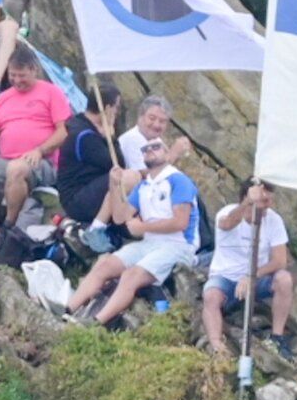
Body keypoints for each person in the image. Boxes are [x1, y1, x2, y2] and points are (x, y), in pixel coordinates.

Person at [65, 134, 200, 326]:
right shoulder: (143, 186)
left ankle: (97, 322)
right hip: (150, 243)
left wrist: (143, 227)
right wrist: (114, 185)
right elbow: (121, 216)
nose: (150, 151)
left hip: (178, 245)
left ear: (167, 152)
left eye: (155, 147)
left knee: (131, 275)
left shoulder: (178, 181)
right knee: (105, 265)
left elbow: (180, 223)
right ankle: (67, 309)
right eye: (145, 149)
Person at [0, 47, 69, 234]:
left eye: (22, 75)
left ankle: (9, 225)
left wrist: (40, 150)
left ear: (34, 70)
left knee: (16, 169)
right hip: (5, 160)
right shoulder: (3, 98)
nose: (17, 81)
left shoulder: (52, 92)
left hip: (41, 160)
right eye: (13, 75)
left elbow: (64, 131)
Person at [201, 179, 294, 353]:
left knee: (284, 279)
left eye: (270, 200)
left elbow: (280, 260)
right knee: (211, 295)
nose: (268, 205)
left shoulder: (273, 220)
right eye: (264, 200)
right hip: (225, 277)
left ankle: (277, 337)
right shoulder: (228, 213)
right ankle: (216, 344)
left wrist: (252, 275)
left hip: (256, 278)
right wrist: (247, 203)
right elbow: (226, 224)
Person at [55, 81, 123, 227]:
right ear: (107, 108)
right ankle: (96, 229)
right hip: (76, 200)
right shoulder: (84, 136)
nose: (117, 113)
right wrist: (111, 137)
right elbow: (117, 164)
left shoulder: (80, 123)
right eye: (117, 107)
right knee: (123, 178)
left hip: (86, 189)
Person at [118, 94, 193, 172]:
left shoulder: (157, 141)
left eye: (162, 121)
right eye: (152, 118)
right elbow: (146, 176)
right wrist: (173, 153)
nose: (156, 125)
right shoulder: (132, 139)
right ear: (141, 116)